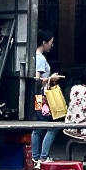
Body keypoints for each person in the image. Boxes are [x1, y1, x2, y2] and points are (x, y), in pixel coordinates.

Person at [31, 34, 62, 163]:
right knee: (52, 127)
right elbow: (37, 80)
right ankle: (42, 157)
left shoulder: (32, 56)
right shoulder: (41, 59)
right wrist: (51, 78)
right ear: (44, 42)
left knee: (38, 127)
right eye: (51, 42)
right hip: (43, 97)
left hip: (37, 97)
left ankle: (35, 157)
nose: (52, 45)